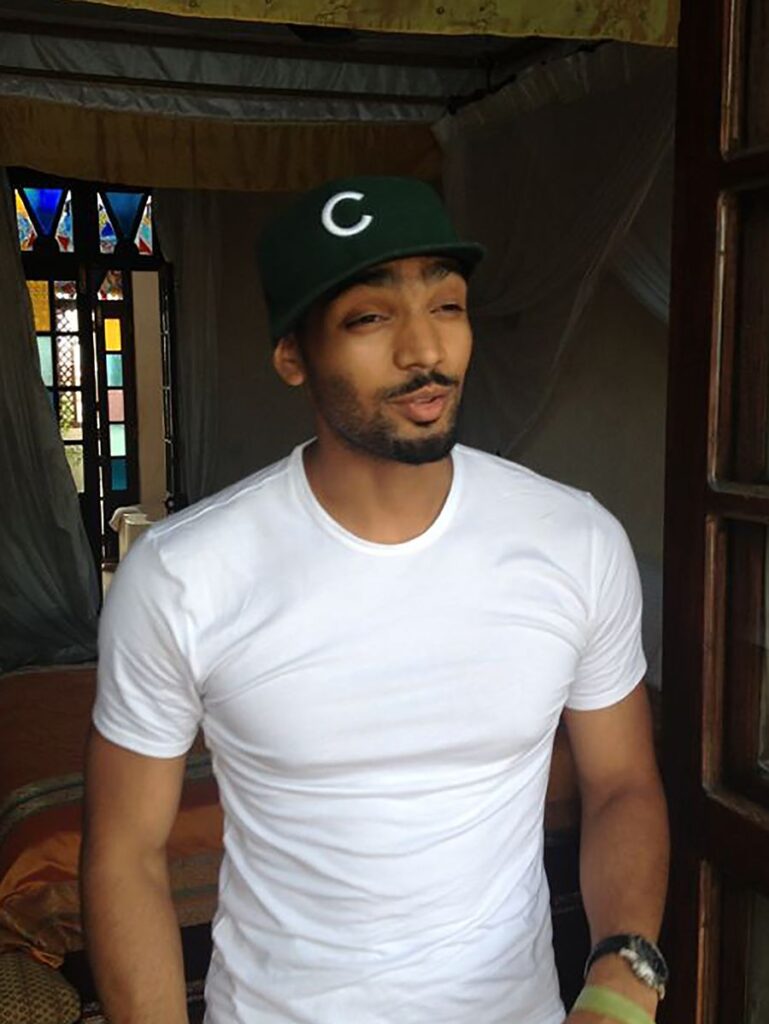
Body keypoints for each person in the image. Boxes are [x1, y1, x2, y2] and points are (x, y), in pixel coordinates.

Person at [82, 176, 669, 1024]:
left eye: (448, 306)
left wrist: (621, 971)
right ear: (292, 355)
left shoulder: (573, 542)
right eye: (369, 318)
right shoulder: (183, 576)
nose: (423, 352)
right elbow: (125, 855)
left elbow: (620, 784)